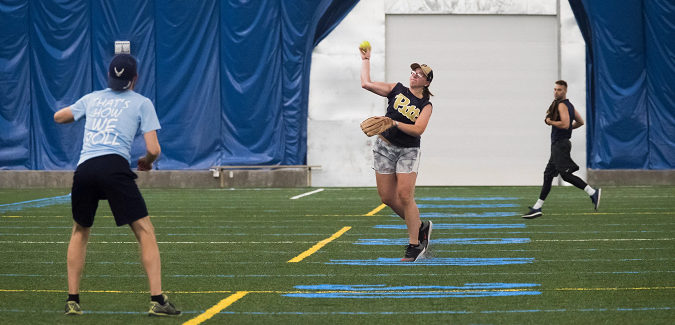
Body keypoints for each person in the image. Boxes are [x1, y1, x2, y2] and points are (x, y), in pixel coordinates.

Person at [54, 54, 180, 317]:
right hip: (114, 167)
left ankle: (72, 301)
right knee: (144, 230)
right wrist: (146, 162)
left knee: (80, 231)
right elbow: (154, 149)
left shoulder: (92, 98)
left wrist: (76, 112)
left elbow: (59, 117)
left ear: (109, 76)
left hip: (85, 169)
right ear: (135, 79)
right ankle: (157, 300)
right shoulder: (142, 103)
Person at [359, 45, 433, 262]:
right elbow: (366, 83)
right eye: (414, 72)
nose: (415, 75)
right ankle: (420, 226)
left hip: (408, 151)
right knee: (387, 198)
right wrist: (365, 59)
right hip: (383, 147)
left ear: (427, 82)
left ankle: (414, 245)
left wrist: (393, 122)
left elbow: (418, 129)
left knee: (404, 196)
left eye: (420, 74)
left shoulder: (425, 105)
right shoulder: (396, 89)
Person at [523, 80, 601, 219]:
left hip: (560, 144)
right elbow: (580, 122)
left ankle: (592, 192)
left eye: (559, 90)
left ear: (565, 91)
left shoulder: (562, 105)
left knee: (565, 175)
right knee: (548, 175)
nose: (556, 92)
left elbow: (565, 124)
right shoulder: (569, 105)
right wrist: (567, 128)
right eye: (555, 89)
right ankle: (537, 207)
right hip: (559, 144)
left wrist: (550, 122)